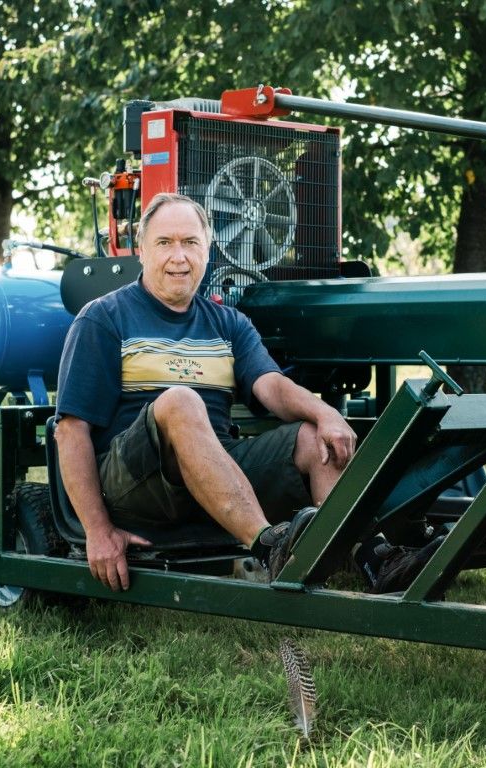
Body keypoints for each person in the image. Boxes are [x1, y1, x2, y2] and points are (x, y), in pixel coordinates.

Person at [55, 193, 434, 593]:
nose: (178, 256)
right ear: (142, 251)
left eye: (190, 243)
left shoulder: (228, 323)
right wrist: (97, 531)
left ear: (208, 250)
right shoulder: (104, 317)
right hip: (135, 484)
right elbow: (71, 431)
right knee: (182, 401)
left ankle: (369, 559)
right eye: (165, 243)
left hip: (215, 469)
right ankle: (268, 546)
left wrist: (326, 415)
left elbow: (270, 385)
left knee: (313, 437)